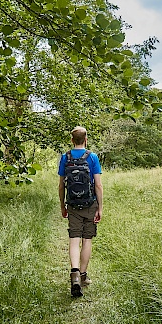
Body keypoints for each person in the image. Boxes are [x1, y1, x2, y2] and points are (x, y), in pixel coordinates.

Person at [58, 126, 103, 297]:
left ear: (71, 140)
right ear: (86, 139)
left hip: (73, 205)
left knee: (74, 240)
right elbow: (98, 185)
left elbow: (62, 185)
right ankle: (82, 277)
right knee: (87, 239)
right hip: (89, 203)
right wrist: (100, 207)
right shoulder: (92, 157)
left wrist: (63, 205)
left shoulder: (65, 157)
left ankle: (74, 276)